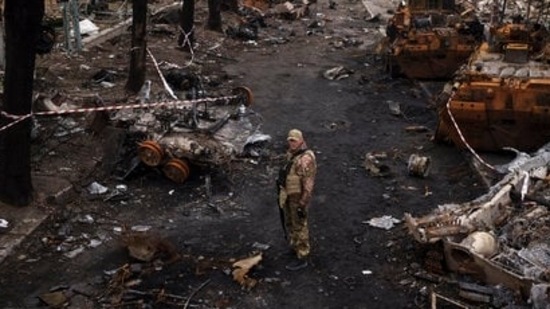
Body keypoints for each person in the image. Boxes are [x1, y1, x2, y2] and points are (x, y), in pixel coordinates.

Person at [277, 129, 317, 271]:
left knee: (299, 226)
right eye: (289, 140)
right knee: (290, 223)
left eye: (294, 140)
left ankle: (302, 255)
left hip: (298, 199)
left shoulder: (306, 159)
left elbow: (308, 184)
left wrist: (302, 203)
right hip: (288, 196)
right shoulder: (291, 155)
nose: (291, 143)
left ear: (301, 140)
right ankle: (295, 247)